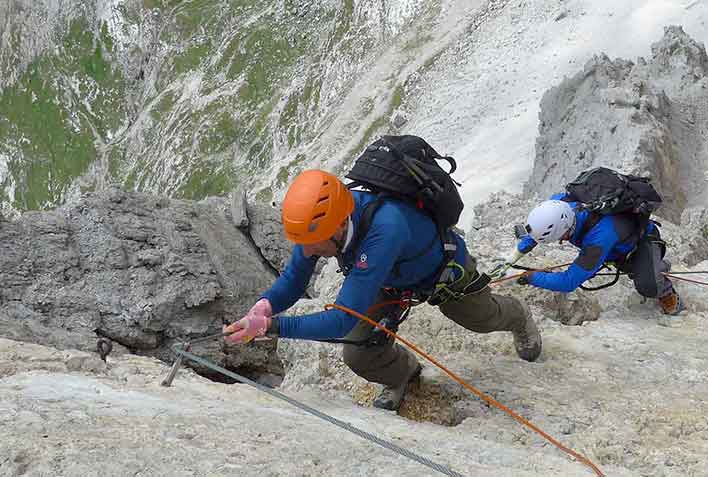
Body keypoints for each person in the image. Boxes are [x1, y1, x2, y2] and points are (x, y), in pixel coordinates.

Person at [224, 169, 542, 411]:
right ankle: (403, 374)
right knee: (359, 353)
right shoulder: (319, 227)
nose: (306, 251)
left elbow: (340, 320)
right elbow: (295, 279)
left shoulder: (385, 229)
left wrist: (274, 326)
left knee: (480, 318)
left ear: (337, 225)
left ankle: (518, 317)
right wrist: (265, 306)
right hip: (388, 281)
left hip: (442, 272)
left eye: (311, 244)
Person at [502, 194, 683, 315]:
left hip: (641, 242)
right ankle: (649, 267)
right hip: (616, 245)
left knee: (647, 285)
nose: (560, 241)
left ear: (565, 232)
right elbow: (539, 231)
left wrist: (528, 276)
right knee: (625, 264)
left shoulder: (598, 239)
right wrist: (514, 256)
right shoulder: (559, 204)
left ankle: (663, 286)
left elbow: (568, 282)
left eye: (559, 238)